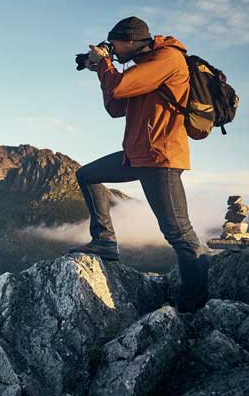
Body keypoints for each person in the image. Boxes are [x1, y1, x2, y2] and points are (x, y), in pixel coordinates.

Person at [68, 16, 210, 313]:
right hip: (136, 155)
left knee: (180, 234)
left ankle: (193, 305)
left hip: (160, 158)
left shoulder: (167, 58)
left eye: (114, 44)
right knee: (88, 175)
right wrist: (100, 69)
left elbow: (118, 89)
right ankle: (105, 241)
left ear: (132, 40)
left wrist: (106, 65)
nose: (112, 50)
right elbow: (115, 107)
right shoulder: (142, 68)